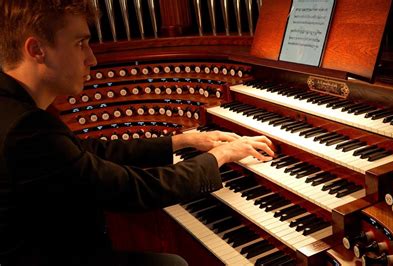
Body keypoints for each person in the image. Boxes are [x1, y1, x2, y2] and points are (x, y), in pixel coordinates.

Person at [0, 0, 275, 265]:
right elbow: (133, 189)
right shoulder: (26, 131)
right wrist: (219, 157)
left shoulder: (15, 110)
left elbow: (90, 152)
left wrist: (182, 140)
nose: (92, 58)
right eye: (80, 43)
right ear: (36, 49)